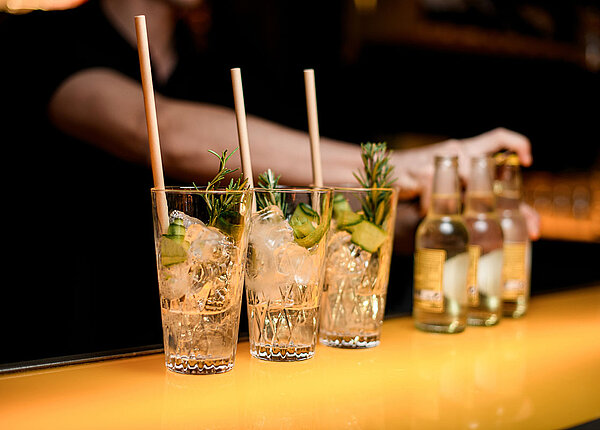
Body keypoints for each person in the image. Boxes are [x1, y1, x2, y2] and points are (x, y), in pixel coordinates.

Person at [0, 0, 538, 363]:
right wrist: (401, 165)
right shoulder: (46, 39)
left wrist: (422, 219)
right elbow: (157, 127)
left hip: (222, 357)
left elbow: (299, 203)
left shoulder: (224, 61)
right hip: (66, 353)